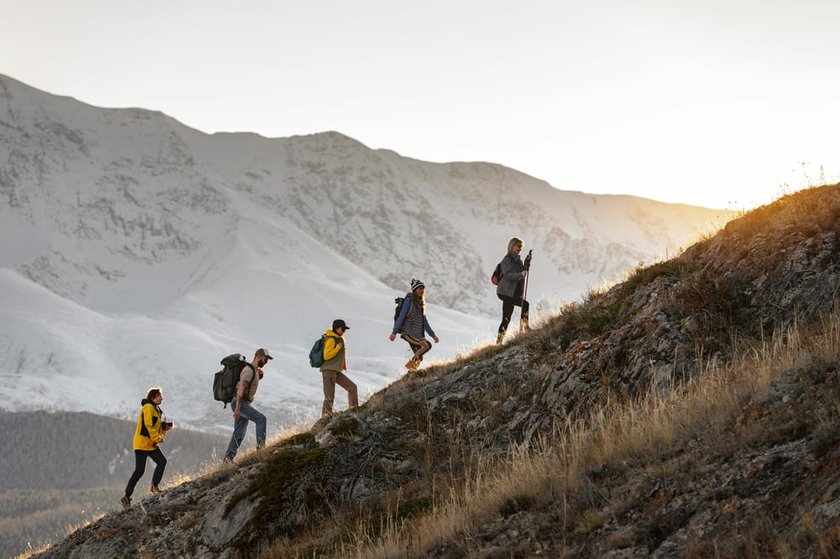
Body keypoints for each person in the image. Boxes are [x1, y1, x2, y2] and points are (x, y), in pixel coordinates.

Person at [120, 387, 171, 508]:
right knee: (139, 471)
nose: (162, 398)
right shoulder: (148, 407)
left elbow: (156, 428)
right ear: (154, 397)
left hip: (150, 444)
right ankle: (126, 497)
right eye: (160, 396)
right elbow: (148, 426)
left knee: (162, 462)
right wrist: (158, 438)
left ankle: (154, 488)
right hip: (142, 444)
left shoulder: (156, 409)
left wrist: (164, 429)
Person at [223, 348, 271, 463]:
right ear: (258, 357)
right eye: (265, 359)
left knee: (239, 433)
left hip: (243, 403)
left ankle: (227, 460)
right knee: (261, 419)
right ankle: (261, 451)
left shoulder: (254, 371)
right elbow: (241, 388)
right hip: (240, 403)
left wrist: (258, 374)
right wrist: (238, 408)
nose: (266, 362)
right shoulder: (248, 371)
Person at [389, 277, 439, 370]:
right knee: (427, 345)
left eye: (423, 288)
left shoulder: (421, 304)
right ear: (415, 290)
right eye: (420, 289)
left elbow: (425, 322)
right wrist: (394, 333)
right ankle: (409, 367)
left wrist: (433, 335)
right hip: (408, 332)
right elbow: (402, 316)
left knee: (420, 357)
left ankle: (410, 373)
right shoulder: (410, 300)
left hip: (417, 335)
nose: (422, 290)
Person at [496, 237, 531, 344]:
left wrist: (526, 262)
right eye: (518, 246)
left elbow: (522, 272)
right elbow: (507, 275)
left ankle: (498, 342)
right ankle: (525, 329)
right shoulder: (507, 260)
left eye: (521, 247)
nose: (520, 249)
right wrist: (520, 274)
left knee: (506, 318)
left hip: (511, 292)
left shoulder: (518, 260)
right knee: (525, 304)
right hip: (505, 292)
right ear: (512, 246)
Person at [320, 319, 358, 417]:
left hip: (335, 371)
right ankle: (324, 419)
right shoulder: (331, 340)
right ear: (337, 329)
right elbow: (326, 356)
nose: (344, 332)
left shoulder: (338, 339)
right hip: (328, 371)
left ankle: (354, 411)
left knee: (352, 387)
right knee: (329, 397)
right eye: (343, 329)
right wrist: (337, 347)